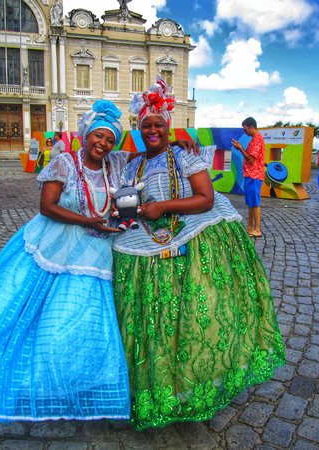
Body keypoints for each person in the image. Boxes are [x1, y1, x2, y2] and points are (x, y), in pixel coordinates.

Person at [113, 77, 285, 431]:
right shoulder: (132, 164)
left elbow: (205, 199)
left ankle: (192, 384)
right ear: (138, 128)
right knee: (152, 317)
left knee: (196, 314)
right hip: (147, 244)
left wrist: (162, 205)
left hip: (194, 236)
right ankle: (157, 385)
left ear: (168, 126)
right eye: (146, 125)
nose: (153, 130)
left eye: (159, 124)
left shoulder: (185, 156)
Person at [0, 100, 132, 422]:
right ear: (86, 134)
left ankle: (76, 381)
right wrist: (88, 221)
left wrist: (180, 143)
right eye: (98, 136)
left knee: (83, 317)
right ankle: (40, 382)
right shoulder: (63, 163)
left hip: (96, 252)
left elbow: (146, 154)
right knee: (42, 316)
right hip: (53, 244)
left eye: (110, 139)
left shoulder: (112, 165)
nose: (103, 143)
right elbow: (47, 206)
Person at [231, 117, 265, 238]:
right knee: (251, 203)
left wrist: (240, 148)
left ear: (251, 127)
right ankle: (250, 227)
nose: (244, 132)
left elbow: (251, 159)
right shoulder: (253, 140)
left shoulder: (257, 140)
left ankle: (257, 229)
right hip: (250, 175)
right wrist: (241, 147)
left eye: (245, 129)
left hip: (254, 175)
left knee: (255, 203)